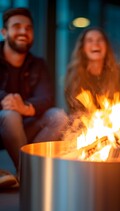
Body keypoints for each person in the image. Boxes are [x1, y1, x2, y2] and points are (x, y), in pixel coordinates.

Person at [0, 7, 67, 188]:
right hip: (2, 123)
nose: (24, 31)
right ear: (4, 32)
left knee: (59, 116)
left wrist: (25, 107)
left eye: (29, 28)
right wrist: (7, 101)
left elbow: (46, 98)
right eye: (17, 26)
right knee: (9, 115)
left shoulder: (38, 64)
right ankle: (30, 174)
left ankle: (26, 172)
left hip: (25, 127)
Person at [64, 27, 120, 115]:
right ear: (82, 48)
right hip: (83, 125)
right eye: (90, 40)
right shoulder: (74, 74)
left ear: (107, 46)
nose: (95, 44)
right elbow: (74, 110)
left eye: (100, 40)